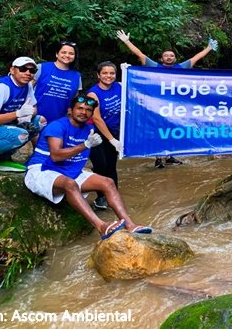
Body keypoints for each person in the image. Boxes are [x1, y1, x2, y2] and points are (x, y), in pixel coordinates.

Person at [25, 96, 152, 240]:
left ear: (92, 114)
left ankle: (130, 225)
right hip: (42, 170)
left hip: (69, 170)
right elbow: (56, 156)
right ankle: (101, 226)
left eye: (88, 110)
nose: (83, 112)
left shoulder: (89, 129)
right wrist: (85, 145)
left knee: (108, 182)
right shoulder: (57, 126)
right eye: (79, 108)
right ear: (70, 110)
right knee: (70, 184)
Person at [116, 29, 218, 166]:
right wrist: (127, 41)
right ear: (161, 59)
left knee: (172, 130)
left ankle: (170, 155)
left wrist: (209, 48)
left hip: (175, 107)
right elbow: (140, 54)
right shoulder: (154, 67)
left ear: (175, 59)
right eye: (166, 56)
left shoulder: (181, 68)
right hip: (157, 107)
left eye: (171, 56)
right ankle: (158, 158)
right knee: (158, 131)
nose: (169, 57)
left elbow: (196, 58)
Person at [87, 61, 123, 210]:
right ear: (98, 75)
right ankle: (101, 197)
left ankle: (113, 194)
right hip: (95, 133)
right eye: (105, 73)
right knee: (100, 165)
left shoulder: (120, 86)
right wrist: (112, 140)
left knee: (111, 165)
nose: (109, 76)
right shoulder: (93, 93)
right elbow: (96, 118)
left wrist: (127, 71)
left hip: (114, 131)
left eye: (112, 73)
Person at [33, 41, 82, 123]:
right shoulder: (41, 68)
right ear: (57, 54)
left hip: (60, 121)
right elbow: (27, 89)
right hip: (36, 117)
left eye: (71, 53)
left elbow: (74, 99)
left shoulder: (77, 76)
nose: (67, 55)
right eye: (63, 52)